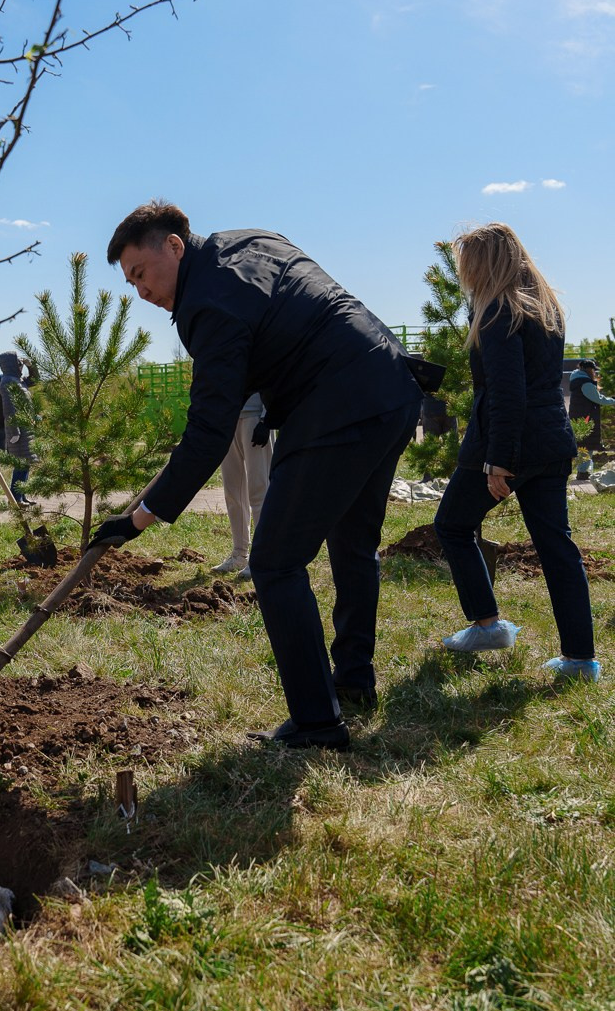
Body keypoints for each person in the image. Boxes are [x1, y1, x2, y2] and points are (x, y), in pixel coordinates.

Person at [93, 200, 423, 750]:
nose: (141, 291)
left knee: (274, 561)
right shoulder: (250, 241)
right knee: (352, 541)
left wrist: (141, 518)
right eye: (130, 282)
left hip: (337, 407)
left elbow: (209, 429)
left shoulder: (207, 304)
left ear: (173, 245)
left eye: (141, 274)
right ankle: (353, 681)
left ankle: (318, 721)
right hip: (390, 385)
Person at [433, 224, 599, 682]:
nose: (464, 272)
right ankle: (581, 660)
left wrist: (498, 460)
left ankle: (487, 626)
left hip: (507, 442)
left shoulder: (496, 311)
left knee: (452, 525)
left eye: (468, 261)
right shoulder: (547, 307)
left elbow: (508, 392)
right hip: (552, 439)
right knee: (557, 546)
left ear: (485, 263)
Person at [212, 392, 272, 580]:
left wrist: (266, 419)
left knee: (259, 491)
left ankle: (263, 558)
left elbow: (273, 380)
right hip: (228, 421)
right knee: (233, 492)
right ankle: (239, 555)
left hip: (255, 419)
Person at [0, 351, 36, 504]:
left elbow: (35, 380)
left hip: (26, 428)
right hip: (18, 430)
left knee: (26, 463)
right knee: (21, 464)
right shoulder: (7, 382)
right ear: (11, 364)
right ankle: (15, 498)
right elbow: (9, 408)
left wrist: (31, 366)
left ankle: (21, 495)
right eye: (19, 363)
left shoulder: (18, 380)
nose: (20, 366)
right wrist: (14, 431)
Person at [569, 357, 614, 480]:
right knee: (586, 445)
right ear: (588, 369)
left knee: (583, 445)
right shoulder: (585, 383)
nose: (595, 373)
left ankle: (582, 471)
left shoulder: (578, 380)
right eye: (594, 370)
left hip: (581, 416)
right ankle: (582, 472)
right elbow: (599, 399)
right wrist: (613, 401)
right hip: (585, 418)